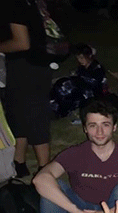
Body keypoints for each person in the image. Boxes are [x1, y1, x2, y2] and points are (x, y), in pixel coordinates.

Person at [1, 0, 53, 177]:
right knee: (17, 112)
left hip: (27, 66)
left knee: (34, 115)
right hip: (36, 64)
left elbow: (22, 43)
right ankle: (19, 163)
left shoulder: (14, 5)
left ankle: (44, 169)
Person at [50, 43, 107, 118]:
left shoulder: (97, 69)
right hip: (82, 87)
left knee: (67, 91)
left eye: (82, 58)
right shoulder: (82, 67)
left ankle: (60, 112)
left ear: (89, 56)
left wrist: (75, 82)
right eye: (78, 58)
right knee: (61, 84)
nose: (80, 60)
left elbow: (94, 85)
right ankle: (53, 105)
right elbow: (78, 77)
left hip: (91, 93)